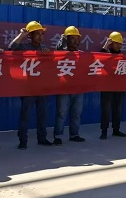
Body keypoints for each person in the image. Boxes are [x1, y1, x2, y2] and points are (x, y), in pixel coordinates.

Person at [8, 21, 52, 149]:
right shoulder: (23, 47)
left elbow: (52, 66)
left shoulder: (45, 49)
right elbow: (11, 48)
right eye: (37, 34)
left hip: (42, 88)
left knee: (42, 115)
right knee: (25, 115)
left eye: (41, 34)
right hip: (28, 88)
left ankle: (42, 138)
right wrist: (21, 34)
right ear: (30, 36)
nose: (40, 36)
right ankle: (23, 140)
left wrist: (48, 55)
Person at [53, 26, 85, 145]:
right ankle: (58, 136)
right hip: (63, 89)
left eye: (77, 39)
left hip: (78, 89)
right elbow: (57, 51)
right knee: (61, 113)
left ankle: (74, 134)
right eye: (72, 38)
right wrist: (62, 41)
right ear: (67, 39)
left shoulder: (82, 55)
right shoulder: (61, 53)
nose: (75, 41)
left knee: (76, 113)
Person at [99, 32, 126, 140]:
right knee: (106, 110)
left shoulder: (123, 57)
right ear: (111, 43)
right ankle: (104, 131)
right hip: (107, 87)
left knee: (118, 109)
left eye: (120, 43)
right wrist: (106, 44)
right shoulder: (106, 54)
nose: (118, 45)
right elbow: (99, 57)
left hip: (119, 87)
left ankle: (116, 129)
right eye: (116, 43)